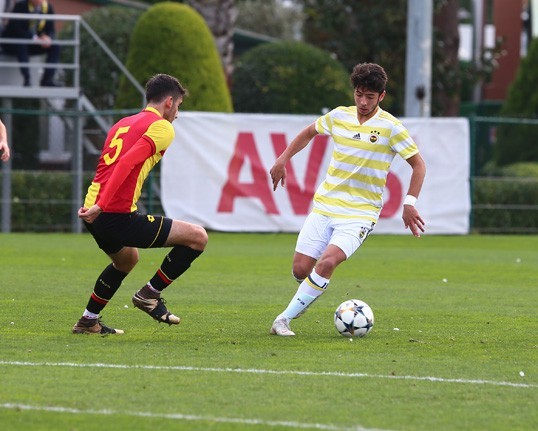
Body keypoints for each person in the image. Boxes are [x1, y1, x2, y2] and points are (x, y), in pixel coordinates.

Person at [269, 63, 426, 336]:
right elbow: (308, 133)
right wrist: (283, 159)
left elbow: (419, 165)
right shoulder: (339, 116)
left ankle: (283, 319)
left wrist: (409, 202)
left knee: (327, 263)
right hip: (326, 205)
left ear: (382, 96)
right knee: (300, 269)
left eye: (370, 97)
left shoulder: (391, 128)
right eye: (359, 94)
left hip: (361, 213)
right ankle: (305, 294)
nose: (363, 102)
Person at [72, 74, 208, 335]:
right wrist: (103, 204)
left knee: (127, 260)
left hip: (93, 210)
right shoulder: (161, 127)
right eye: (178, 105)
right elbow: (125, 164)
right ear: (169, 102)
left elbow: (105, 167)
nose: (177, 113)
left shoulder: (123, 123)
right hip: (112, 212)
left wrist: (95, 205)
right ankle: (149, 294)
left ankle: (88, 321)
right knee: (197, 237)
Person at [1, 0, 60, 86]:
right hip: (13, 44)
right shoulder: (21, 6)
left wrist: (48, 38)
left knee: (55, 46)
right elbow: (16, 29)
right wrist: (34, 38)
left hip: (33, 43)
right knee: (22, 43)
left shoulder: (47, 7)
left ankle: (47, 80)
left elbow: (51, 29)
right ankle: (27, 79)